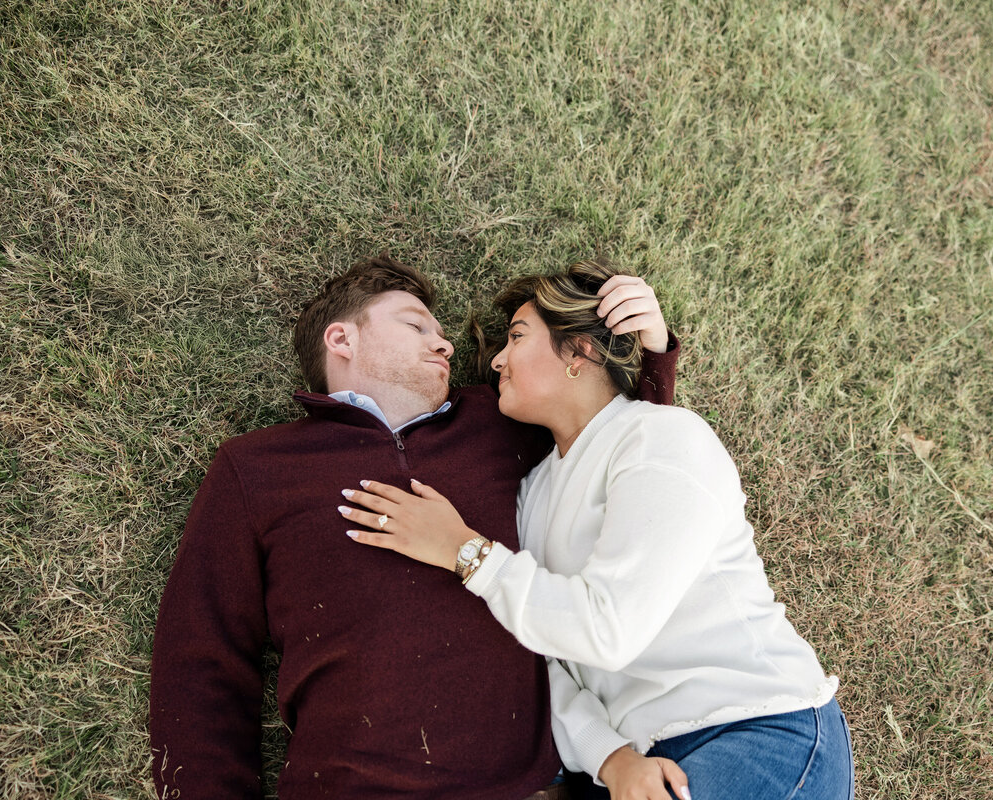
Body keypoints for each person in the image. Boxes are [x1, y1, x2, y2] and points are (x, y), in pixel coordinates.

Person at [149, 254, 679, 799]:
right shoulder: (258, 466)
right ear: (341, 340)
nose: (444, 343)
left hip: (521, 786)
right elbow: (201, 656)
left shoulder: (497, 426)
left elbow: (613, 449)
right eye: (414, 324)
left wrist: (652, 351)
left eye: (442, 332)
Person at [340, 259, 854, 800]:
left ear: (580, 353)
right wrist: (608, 757)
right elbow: (537, 656)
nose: (496, 360)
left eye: (517, 337)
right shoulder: (531, 491)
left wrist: (464, 550)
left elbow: (609, 630)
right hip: (629, 765)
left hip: (754, 729)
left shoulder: (664, 439)